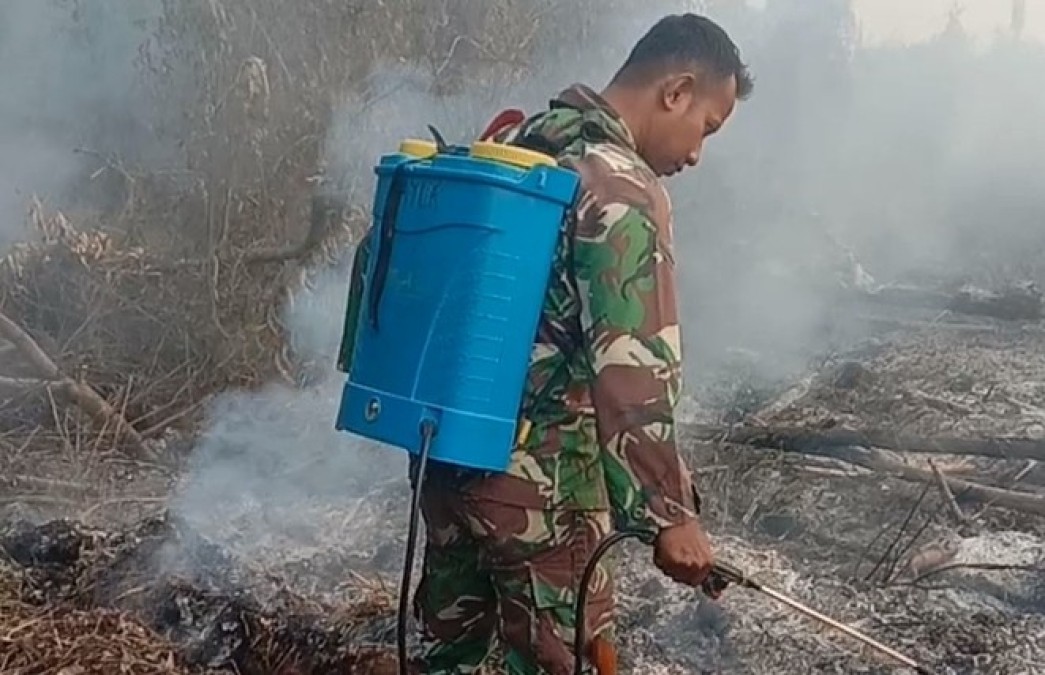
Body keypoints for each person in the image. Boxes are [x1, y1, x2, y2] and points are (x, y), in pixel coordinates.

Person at [413, 13, 753, 675]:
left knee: (448, 657)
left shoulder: (515, 143)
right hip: (544, 497)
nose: (694, 154)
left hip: (447, 463)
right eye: (705, 128)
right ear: (675, 90)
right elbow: (630, 369)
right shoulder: (620, 186)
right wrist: (670, 517)